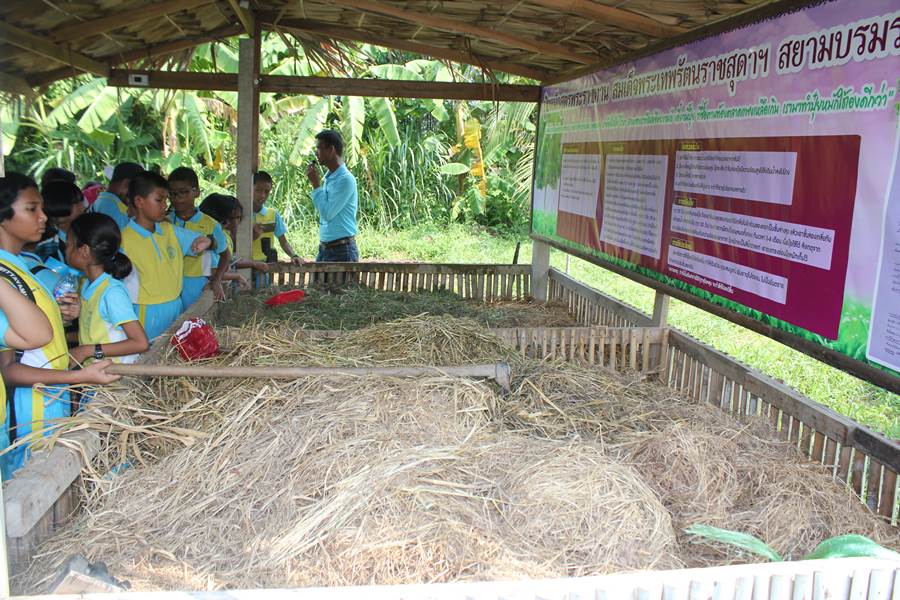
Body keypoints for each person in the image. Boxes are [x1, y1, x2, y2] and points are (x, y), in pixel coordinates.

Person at [0, 173, 119, 476]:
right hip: (29, 412)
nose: (43, 217)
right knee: (31, 484)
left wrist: (61, 315)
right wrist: (77, 376)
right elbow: (9, 368)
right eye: (32, 209)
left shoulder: (21, 266)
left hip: (49, 397)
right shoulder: (5, 275)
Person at [120, 172, 211, 340]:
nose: (165, 205)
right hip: (146, 310)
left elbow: (200, 240)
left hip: (175, 305)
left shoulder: (169, 231)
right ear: (139, 202)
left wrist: (207, 241)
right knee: (148, 352)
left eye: (166, 200)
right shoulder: (123, 240)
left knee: (173, 349)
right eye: (159, 200)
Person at [65, 213, 149, 365]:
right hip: (97, 373)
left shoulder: (112, 292)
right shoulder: (85, 284)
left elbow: (140, 343)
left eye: (69, 245)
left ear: (84, 250)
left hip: (117, 375)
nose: (66, 250)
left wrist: (85, 351)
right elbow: (96, 332)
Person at [167, 168, 229, 305]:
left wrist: (217, 280)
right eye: (172, 193)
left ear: (196, 192)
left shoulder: (210, 224)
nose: (177, 198)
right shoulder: (165, 222)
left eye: (183, 192)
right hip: (169, 283)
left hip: (199, 283)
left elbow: (226, 255)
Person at [305, 130, 359, 262]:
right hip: (326, 248)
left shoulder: (345, 180)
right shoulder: (330, 178)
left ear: (331, 150)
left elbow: (327, 213)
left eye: (319, 148)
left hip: (342, 250)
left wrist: (316, 184)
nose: (316, 153)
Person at [199, 193, 268, 290]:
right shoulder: (209, 239)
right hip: (205, 290)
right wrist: (236, 276)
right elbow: (212, 273)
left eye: (238, 218)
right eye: (230, 218)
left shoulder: (224, 234)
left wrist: (254, 264)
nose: (235, 223)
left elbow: (230, 261)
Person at [251, 171, 302, 266]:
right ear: (250, 188)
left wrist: (294, 255)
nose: (262, 195)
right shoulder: (240, 214)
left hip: (266, 267)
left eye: (266, 192)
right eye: (258, 190)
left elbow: (283, 242)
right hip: (244, 266)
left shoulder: (273, 215)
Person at [37, 180, 86, 266]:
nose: (83, 206)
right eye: (79, 201)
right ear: (63, 205)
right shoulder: (49, 248)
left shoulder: (80, 234)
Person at [91, 162, 143, 230]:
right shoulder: (109, 205)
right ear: (126, 183)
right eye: (135, 189)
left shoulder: (104, 200)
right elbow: (123, 232)